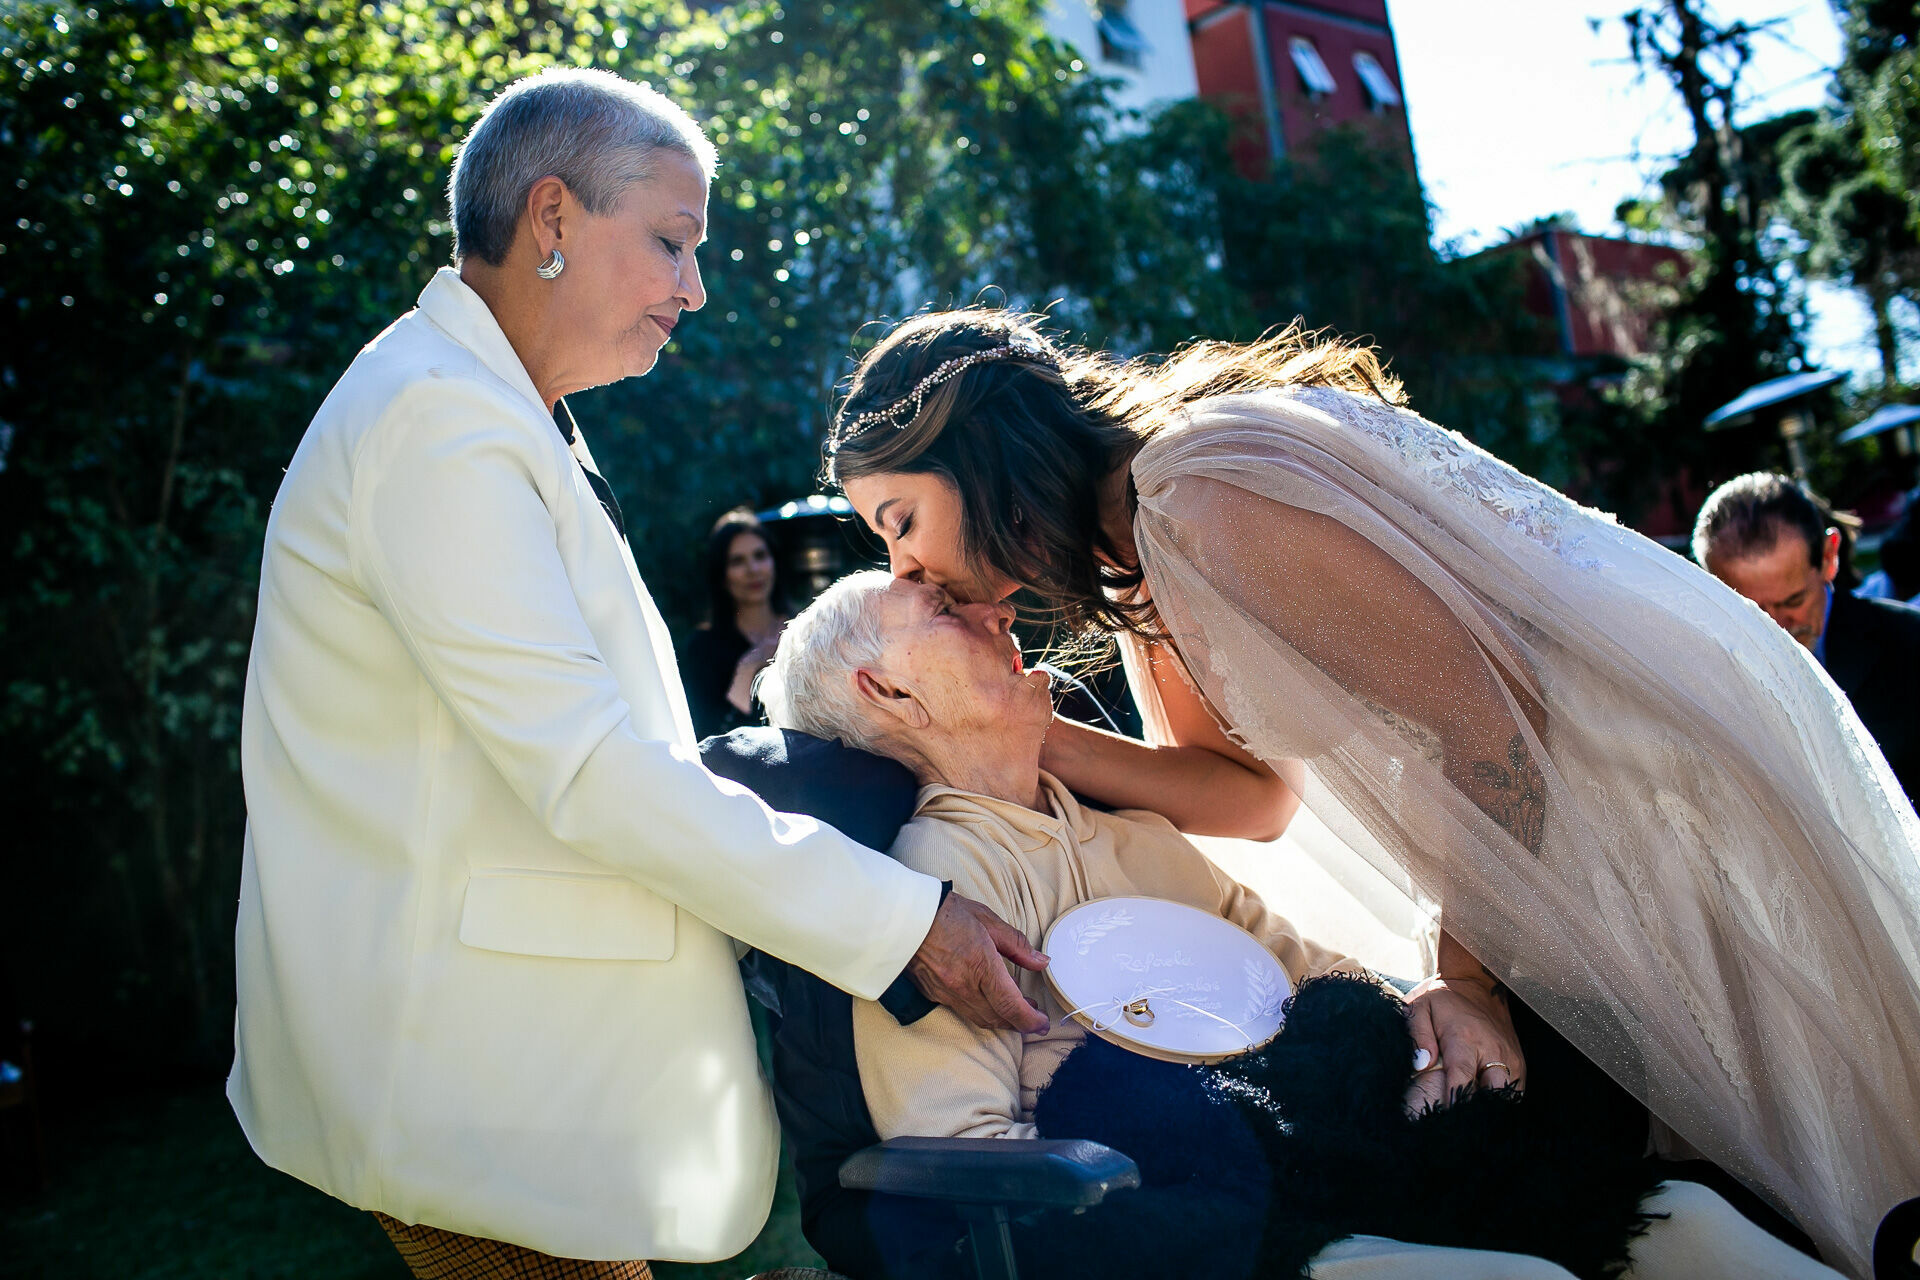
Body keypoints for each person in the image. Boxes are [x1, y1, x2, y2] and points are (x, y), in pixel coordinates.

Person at [823, 309, 1920, 1275]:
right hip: (1543, 850)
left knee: (1772, 1158)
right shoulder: (1144, 535)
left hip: (1624, 820)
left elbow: (1497, 722)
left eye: (897, 520)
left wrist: (1465, 978)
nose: (907, 568)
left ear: (979, 453)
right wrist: (1009, 743)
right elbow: (1251, 795)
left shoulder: (1198, 490)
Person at [227, 72, 1049, 1280]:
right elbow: (589, 770)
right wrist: (903, 919)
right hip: (470, 1085)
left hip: (515, 1085)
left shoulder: (490, 407)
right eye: (671, 240)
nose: (694, 288)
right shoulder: (439, 426)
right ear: (550, 220)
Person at [755, 570, 1843, 1280]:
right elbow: (960, 1158)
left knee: (1690, 1218)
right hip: (1208, 1219)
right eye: (949, 614)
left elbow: (1316, 976)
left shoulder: (1127, 836)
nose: (998, 610)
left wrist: (1426, 1005)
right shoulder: (935, 880)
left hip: (1328, 1139)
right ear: (887, 694)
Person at [1694, 472, 1920, 803]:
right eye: (1747, 611)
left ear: (1829, 558)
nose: (1773, 628)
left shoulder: (1910, 644)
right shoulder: (1701, 677)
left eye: (1793, 601)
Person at [679, 509, 788, 737]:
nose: (753, 570)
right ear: (722, 575)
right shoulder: (702, 649)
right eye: (737, 561)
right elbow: (711, 738)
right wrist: (750, 666)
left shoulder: (804, 627)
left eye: (760, 556)